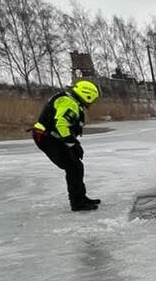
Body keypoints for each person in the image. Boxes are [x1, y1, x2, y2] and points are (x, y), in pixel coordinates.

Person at [31, 79, 102, 212]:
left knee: (76, 166)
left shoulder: (69, 100)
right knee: (73, 167)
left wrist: (72, 144)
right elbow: (61, 124)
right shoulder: (70, 103)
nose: (92, 103)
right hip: (47, 138)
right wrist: (72, 143)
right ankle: (77, 203)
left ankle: (81, 197)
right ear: (87, 94)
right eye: (93, 99)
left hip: (52, 137)